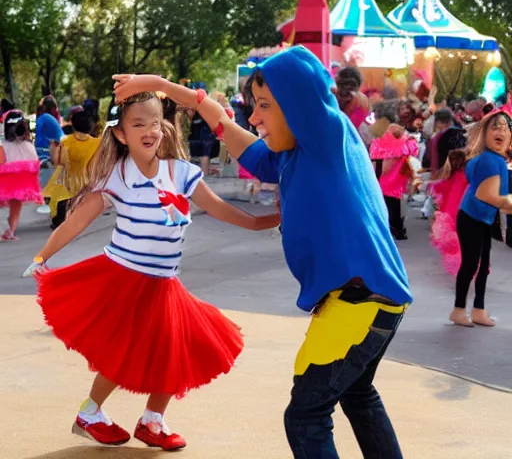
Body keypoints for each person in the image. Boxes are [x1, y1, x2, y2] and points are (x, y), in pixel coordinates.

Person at [113, 46, 412, 459]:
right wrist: (171, 90)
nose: (254, 117)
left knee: (306, 417)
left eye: (266, 106)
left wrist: (160, 86)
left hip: (358, 304)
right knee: (357, 395)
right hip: (374, 301)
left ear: (299, 104)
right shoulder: (292, 157)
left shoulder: (328, 135)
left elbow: (302, 86)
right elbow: (235, 135)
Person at [23, 91, 279, 450]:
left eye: (154, 123)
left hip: (163, 283)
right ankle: (91, 413)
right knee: (125, 350)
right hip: (124, 277)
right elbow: (76, 221)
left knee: (177, 348)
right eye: (138, 123)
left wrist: (271, 219)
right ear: (121, 134)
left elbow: (223, 210)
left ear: (164, 128)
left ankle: (152, 421)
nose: (148, 130)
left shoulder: (181, 172)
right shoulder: (117, 177)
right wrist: (42, 256)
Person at [449, 111, 512, 327]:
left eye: (505, 128)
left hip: (480, 219)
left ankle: (478, 309)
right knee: (470, 265)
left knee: (483, 266)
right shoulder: (490, 161)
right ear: (484, 133)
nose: (501, 131)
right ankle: (459, 310)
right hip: (472, 218)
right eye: (495, 127)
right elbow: (487, 195)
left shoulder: (493, 159)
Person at [42, 110, 101, 229]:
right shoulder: (97, 142)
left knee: (58, 198)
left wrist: (53, 147)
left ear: (73, 125)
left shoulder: (66, 141)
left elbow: (58, 161)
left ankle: (59, 219)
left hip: (65, 176)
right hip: (85, 176)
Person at [370, 125, 419, 240]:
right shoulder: (404, 146)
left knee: (385, 204)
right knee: (396, 205)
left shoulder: (383, 146)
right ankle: (398, 229)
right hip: (398, 180)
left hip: (384, 180)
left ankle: (389, 228)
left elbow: (382, 167)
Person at [0, 110, 42, 240]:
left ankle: (8, 229)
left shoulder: (4, 146)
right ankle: (11, 230)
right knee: (16, 206)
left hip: (5, 180)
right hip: (22, 182)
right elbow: (35, 164)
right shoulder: (28, 146)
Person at [430, 149, 469, 275]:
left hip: (450, 212)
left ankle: (461, 266)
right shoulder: (466, 176)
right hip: (464, 211)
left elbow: (440, 187)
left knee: (453, 242)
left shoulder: (452, 176)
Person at [35, 96, 64, 160]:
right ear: (53, 109)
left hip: (49, 154)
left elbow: (38, 140)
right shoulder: (50, 118)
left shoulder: (43, 118)